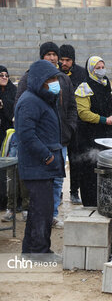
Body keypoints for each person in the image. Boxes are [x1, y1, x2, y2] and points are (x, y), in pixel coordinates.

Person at [15, 42, 77, 229]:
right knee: (40, 188)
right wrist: (44, 151)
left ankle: (52, 215)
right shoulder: (29, 80)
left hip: (61, 140)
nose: (52, 58)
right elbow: (24, 122)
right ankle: (37, 220)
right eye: (48, 54)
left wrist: (70, 128)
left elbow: (72, 107)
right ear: (42, 57)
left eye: (54, 54)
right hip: (42, 146)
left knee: (57, 180)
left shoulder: (63, 79)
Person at [15, 59, 65, 254]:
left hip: (43, 167)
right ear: (38, 81)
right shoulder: (29, 101)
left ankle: (31, 251)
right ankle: (40, 252)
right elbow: (26, 135)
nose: (54, 82)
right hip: (38, 167)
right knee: (41, 213)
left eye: (55, 78)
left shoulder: (43, 99)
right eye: (50, 79)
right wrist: (47, 157)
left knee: (39, 212)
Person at [75, 56, 112, 207]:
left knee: (106, 167)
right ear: (90, 70)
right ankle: (90, 202)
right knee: (90, 169)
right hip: (89, 135)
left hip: (106, 134)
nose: (101, 71)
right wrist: (103, 120)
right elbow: (83, 113)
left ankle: (105, 201)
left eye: (102, 67)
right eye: (97, 68)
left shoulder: (106, 84)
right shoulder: (84, 87)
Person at [59, 44, 86, 205]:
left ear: (73, 60)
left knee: (76, 160)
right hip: (60, 124)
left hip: (77, 125)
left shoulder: (81, 74)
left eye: (67, 60)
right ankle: (59, 193)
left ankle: (74, 191)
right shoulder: (54, 75)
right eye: (62, 59)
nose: (64, 63)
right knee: (59, 161)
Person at [0, 65, 24, 222]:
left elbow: (15, 113)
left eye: (6, 75)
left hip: (9, 137)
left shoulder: (12, 92)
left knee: (11, 171)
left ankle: (14, 203)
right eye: (0, 75)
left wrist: (3, 106)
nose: (4, 77)